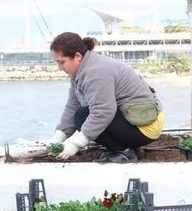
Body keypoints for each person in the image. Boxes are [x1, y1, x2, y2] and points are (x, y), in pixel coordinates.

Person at [49, 32, 164, 164]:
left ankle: (124, 152)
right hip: (139, 119)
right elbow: (72, 105)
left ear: (77, 56)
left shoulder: (96, 72)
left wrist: (76, 143)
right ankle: (132, 148)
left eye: (62, 62)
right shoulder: (80, 72)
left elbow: (103, 111)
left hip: (147, 126)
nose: (59, 68)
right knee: (81, 113)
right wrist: (60, 134)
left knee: (83, 116)